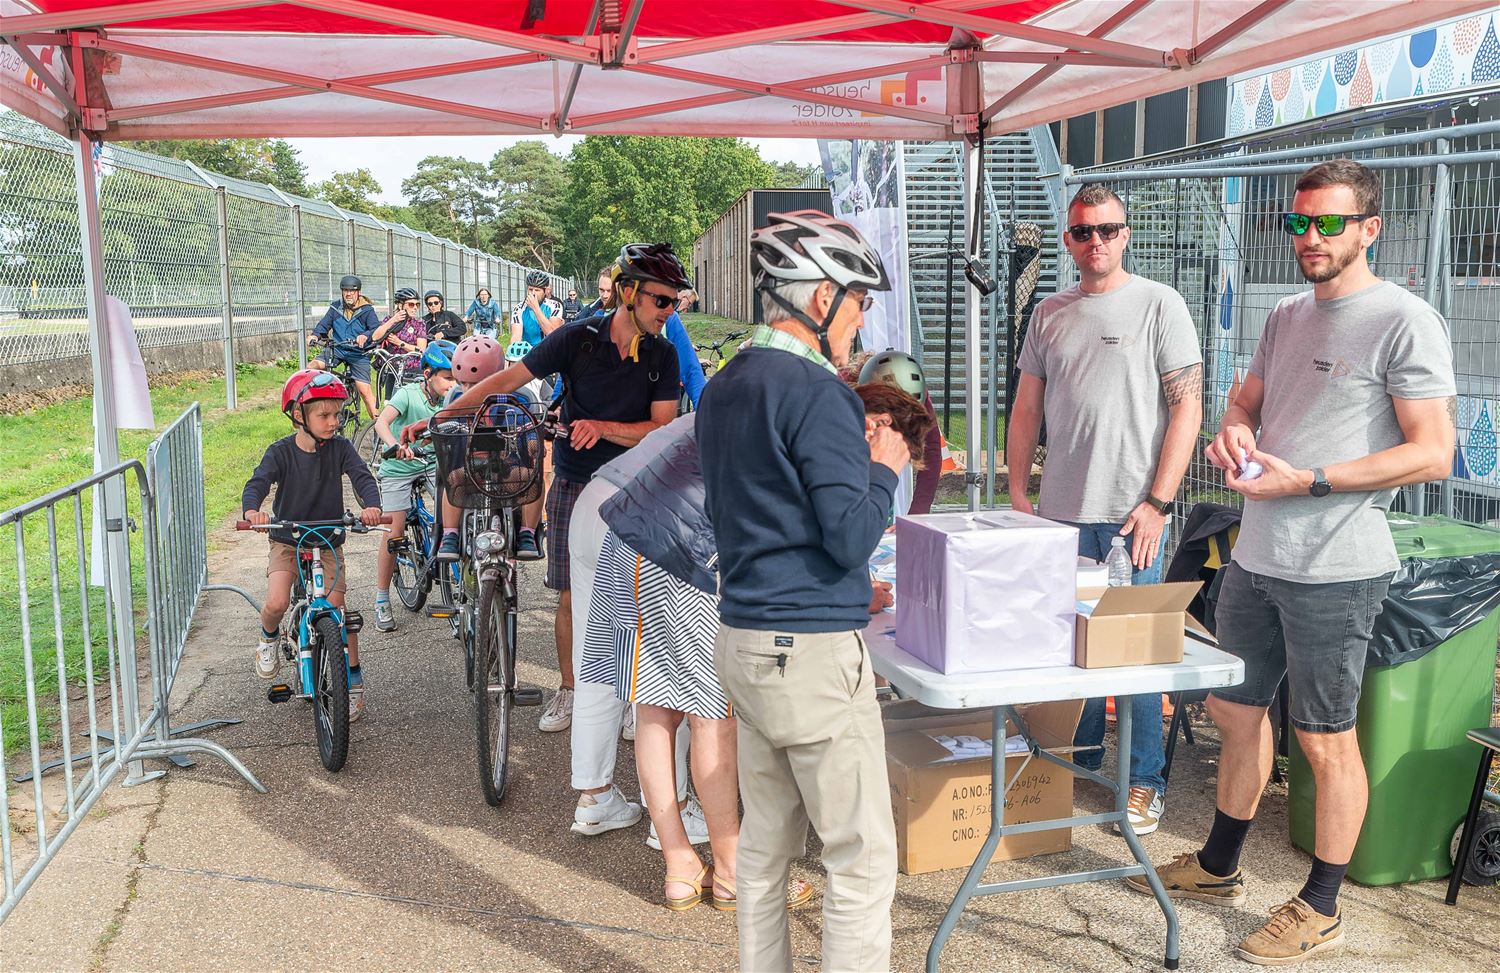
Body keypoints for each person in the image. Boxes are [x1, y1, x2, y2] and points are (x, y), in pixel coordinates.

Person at [1131, 160, 1456, 966]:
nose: (1310, 236)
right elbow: (1244, 400)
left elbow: (1433, 453)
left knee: (1324, 739)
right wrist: (1236, 430)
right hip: (1258, 553)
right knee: (1235, 712)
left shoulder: (1405, 320)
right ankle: (1219, 865)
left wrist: (1310, 478)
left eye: (1329, 222)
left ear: (1369, 229)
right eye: (1298, 222)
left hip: (1338, 567)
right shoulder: (1284, 314)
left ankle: (1322, 905)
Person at [697, 209, 910, 973]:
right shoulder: (821, 394)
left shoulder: (724, 385)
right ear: (823, 298)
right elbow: (850, 536)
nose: (862, 320)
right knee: (860, 858)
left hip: (745, 634)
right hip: (812, 650)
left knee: (763, 846)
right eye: (859, 301)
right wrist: (884, 467)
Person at [406, 243, 687, 739]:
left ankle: (630, 697)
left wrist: (602, 427)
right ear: (628, 293)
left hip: (637, 485)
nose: (670, 310)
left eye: (674, 301)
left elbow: (661, 426)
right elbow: (508, 379)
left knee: (637, 599)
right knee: (572, 596)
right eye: (661, 300)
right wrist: (443, 415)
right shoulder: (578, 339)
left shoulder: (662, 355)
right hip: (577, 481)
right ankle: (571, 688)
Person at [1005, 183, 1203, 836]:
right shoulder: (1049, 314)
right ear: (1068, 240)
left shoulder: (1159, 305)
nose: (1096, 241)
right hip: (1060, 513)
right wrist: (1019, 494)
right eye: (1083, 231)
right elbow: (1026, 408)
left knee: (1135, 654)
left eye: (1108, 229)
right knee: (1071, 647)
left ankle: (1144, 781)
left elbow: (1188, 407)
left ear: (1126, 234)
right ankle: (1079, 761)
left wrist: (1158, 503)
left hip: (1130, 517)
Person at [242, 370, 382, 721]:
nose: (334, 422)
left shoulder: (341, 448)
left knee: (338, 610)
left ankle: (352, 679)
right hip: (287, 539)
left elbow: (362, 476)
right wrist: (252, 511)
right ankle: (268, 637)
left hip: (327, 537)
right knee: (277, 601)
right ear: (298, 415)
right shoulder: (280, 452)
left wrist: (371, 506)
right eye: (324, 415)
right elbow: (258, 482)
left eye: (338, 414)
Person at [370, 341, 457, 632]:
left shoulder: (453, 398)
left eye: (456, 377)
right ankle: (382, 598)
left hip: (432, 464)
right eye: (447, 377)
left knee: (454, 512)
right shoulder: (407, 394)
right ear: (428, 374)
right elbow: (382, 422)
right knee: (394, 534)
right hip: (399, 468)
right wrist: (394, 446)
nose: (452, 384)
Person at [308, 274, 381, 420]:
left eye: (352, 291)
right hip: (338, 349)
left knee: (365, 392)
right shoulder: (336, 308)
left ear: (358, 292)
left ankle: (379, 426)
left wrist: (365, 335)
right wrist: (315, 335)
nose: (348, 294)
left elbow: (375, 329)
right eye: (345, 290)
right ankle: (313, 411)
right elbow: (324, 324)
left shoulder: (367, 310)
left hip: (358, 353)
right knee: (312, 368)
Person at [371, 287, 427, 400]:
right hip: (393, 368)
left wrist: (400, 343)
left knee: (412, 401)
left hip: (413, 369)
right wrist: (393, 320)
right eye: (411, 304)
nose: (415, 308)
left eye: (417, 305)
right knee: (389, 401)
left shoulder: (419, 324)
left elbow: (421, 349)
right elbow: (375, 337)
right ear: (400, 305)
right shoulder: (390, 320)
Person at [510, 270, 564, 346]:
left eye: (537, 290)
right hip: (530, 350)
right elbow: (516, 337)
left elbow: (553, 334)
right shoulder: (519, 308)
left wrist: (536, 308)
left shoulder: (555, 305)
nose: (533, 293)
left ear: (545, 291)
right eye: (530, 289)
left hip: (549, 348)